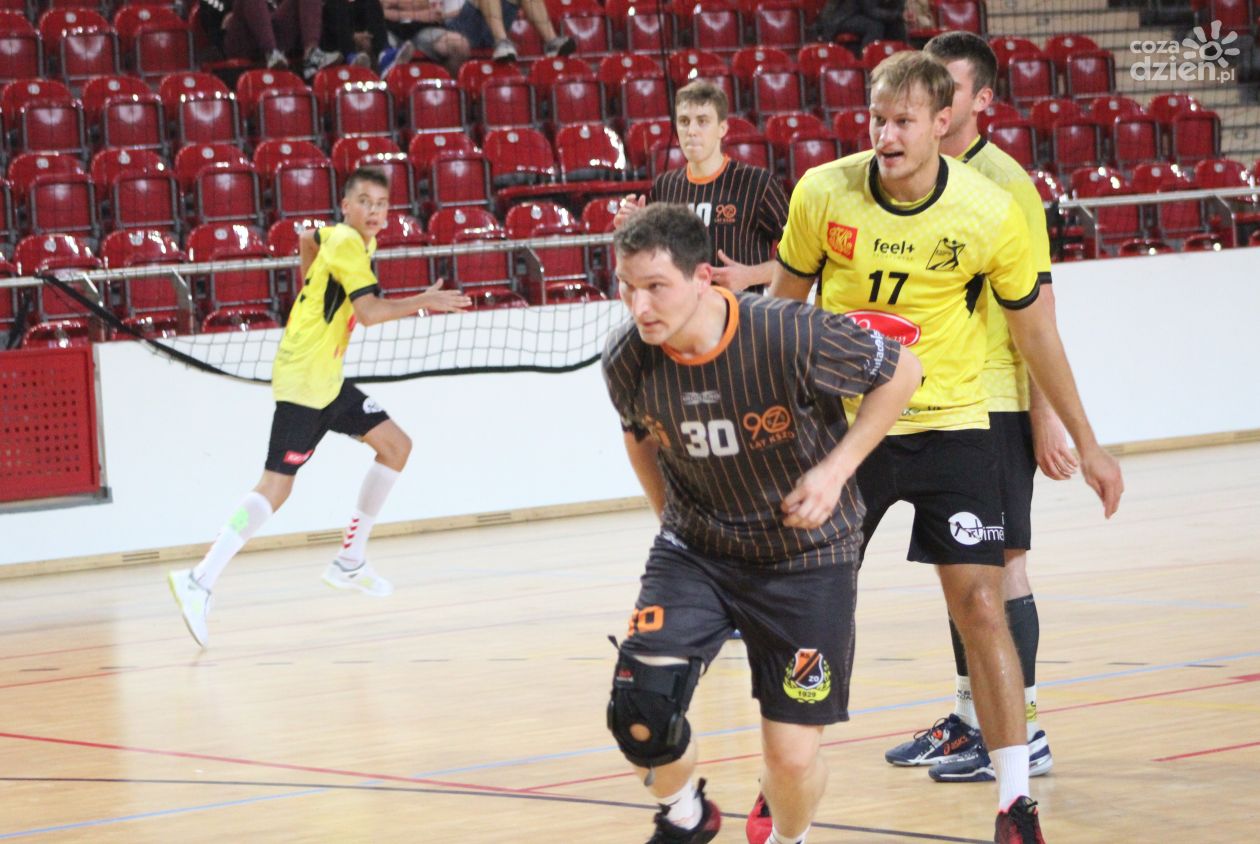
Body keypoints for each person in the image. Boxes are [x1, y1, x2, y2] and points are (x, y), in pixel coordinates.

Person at [765, 51, 1123, 842]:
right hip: (848, 433)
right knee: (811, 607)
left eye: (903, 122)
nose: (886, 136)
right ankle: (784, 777)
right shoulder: (823, 193)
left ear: (941, 122)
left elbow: (1037, 332)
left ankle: (1015, 800)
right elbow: (778, 312)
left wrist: (1088, 443)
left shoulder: (987, 210)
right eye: (876, 120)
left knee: (981, 605)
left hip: (954, 424)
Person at [604, 203, 922, 844]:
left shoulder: (786, 332)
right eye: (627, 287)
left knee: (791, 761)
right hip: (698, 552)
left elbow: (902, 371)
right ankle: (686, 816)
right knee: (639, 711)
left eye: (656, 286)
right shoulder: (627, 359)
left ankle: (787, 838)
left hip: (804, 559)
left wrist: (835, 471)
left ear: (703, 278)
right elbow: (640, 438)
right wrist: (673, 525)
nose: (640, 306)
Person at [879, 30, 1080, 785]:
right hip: (937, 398)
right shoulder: (918, 177)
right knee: (961, 569)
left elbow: (1039, 307)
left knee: (1002, 570)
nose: (931, 92)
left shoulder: (1004, 185)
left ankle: (1025, 730)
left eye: (949, 84)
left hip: (995, 397)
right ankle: (972, 719)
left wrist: (1044, 416)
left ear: (978, 100)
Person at [167, 168, 471, 649]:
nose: (374, 211)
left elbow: (307, 237)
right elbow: (368, 314)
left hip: (326, 379)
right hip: (305, 383)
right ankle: (199, 579)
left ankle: (349, 561)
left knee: (395, 446)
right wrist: (424, 300)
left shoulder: (345, 238)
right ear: (346, 206)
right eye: (364, 201)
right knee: (274, 489)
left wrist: (312, 282)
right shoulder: (349, 242)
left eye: (381, 204)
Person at [613, 80, 790, 295]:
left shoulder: (758, 183)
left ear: (722, 128)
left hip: (740, 312)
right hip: (679, 312)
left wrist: (751, 275)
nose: (692, 131)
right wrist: (631, 230)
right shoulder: (665, 187)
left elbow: (804, 259)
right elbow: (650, 263)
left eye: (702, 121)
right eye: (684, 121)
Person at [196, 0, 342, 80]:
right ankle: (271, 52)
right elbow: (213, 23)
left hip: (270, 30)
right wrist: (228, 12)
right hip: (240, 39)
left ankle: (312, 54)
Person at [453, 0, 574, 63]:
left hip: (492, 21)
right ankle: (501, 41)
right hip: (460, 29)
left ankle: (552, 42)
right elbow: (443, 16)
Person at [322, 0, 415, 76]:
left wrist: (366, 36)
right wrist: (352, 36)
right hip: (333, 33)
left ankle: (384, 54)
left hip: (361, 28)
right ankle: (351, 57)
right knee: (337, 4)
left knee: (371, 2)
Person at [380, 0, 471, 76]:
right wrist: (418, 14)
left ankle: (447, 88)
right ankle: (386, 90)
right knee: (378, 49)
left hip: (423, 28)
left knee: (460, 45)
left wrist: (395, 7)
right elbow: (378, 8)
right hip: (386, 29)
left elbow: (422, 3)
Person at [815, 0, 907, 48]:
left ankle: (903, 62)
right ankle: (869, 66)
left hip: (862, 14)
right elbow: (871, 10)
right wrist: (898, 15)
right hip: (841, 17)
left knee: (896, 25)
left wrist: (899, 14)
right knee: (874, 27)